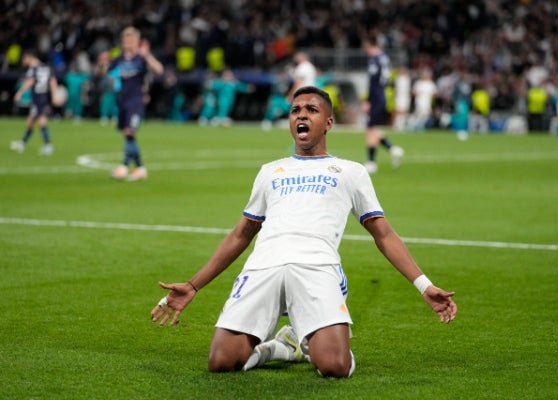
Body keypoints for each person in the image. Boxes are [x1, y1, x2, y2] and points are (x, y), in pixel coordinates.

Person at [150, 86, 457, 378]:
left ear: (328, 123)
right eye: (295, 110)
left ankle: (310, 339)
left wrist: (424, 286)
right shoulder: (271, 170)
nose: (301, 115)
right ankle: (280, 349)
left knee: (334, 367)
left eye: (311, 109)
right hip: (263, 266)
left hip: (317, 266)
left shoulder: (350, 171)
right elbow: (241, 234)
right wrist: (193, 286)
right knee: (220, 362)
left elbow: (384, 235)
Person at [97, 26, 164, 181]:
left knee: (130, 132)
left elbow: (159, 70)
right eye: (126, 39)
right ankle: (140, 168)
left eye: (132, 39)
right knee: (128, 135)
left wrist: (147, 56)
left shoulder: (141, 58)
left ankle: (124, 166)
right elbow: (103, 72)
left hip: (136, 100)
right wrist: (101, 64)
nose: (128, 43)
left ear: (137, 41)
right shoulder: (119, 59)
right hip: (122, 100)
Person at [361, 34, 404, 174]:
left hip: (377, 96)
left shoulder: (375, 60)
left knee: (370, 128)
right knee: (372, 128)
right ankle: (392, 150)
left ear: (369, 45)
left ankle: (372, 162)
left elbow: (373, 82)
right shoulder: (385, 58)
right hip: (383, 95)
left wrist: (368, 100)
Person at [10, 50, 59, 155]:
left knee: (41, 120)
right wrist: (54, 95)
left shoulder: (33, 68)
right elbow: (53, 81)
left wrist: (20, 93)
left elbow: (30, 81)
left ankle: (48, 145)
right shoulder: (46, 67)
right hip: (43, 96)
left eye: (25, 58)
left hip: (37, 97)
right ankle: (23, 143)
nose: (24, 61)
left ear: (30, 57)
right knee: (31, 121)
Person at [393, 66, 411, 131]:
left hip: (405, 97)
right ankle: (396, 125)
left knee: (404, 110)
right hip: (399, 97)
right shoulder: (398, 78)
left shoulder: (407, 79)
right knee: (398, 110)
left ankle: (402, 124)